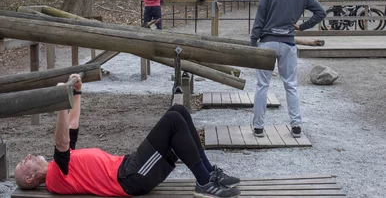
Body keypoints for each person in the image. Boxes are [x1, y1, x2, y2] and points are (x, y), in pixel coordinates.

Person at [14, 74, 240, 198]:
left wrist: (77, 91)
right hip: (131, 178)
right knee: (173, 122)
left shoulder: (63, 164)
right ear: (31, 178)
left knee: (178, 111)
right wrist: (60, 102)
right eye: (25, 162)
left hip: (129, 167)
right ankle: (203, 182)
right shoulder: (55, 176)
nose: (28, 155)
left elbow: (72, 125)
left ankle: (209, 173)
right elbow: (61, 140)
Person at [250, 0, 326, 138]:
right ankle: (297, 126)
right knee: (291, 85)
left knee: (262, 85)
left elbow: (259, 20)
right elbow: (321, 12)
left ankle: (259, 127)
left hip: (267, 42)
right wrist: (303, 26)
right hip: (288, 43)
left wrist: (253, 43)